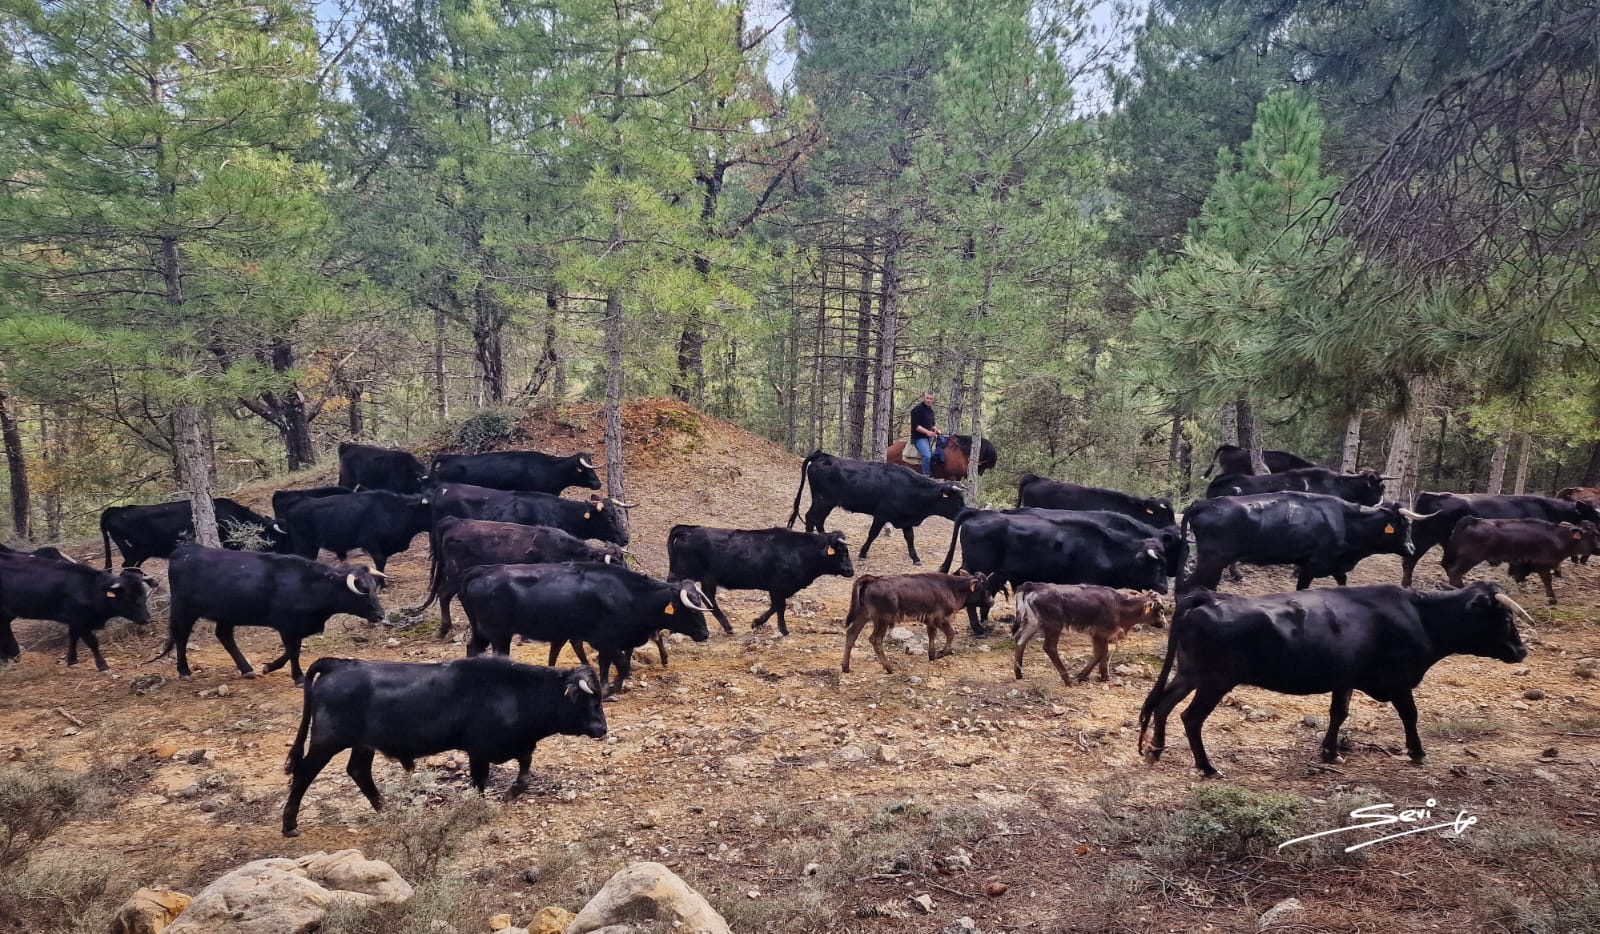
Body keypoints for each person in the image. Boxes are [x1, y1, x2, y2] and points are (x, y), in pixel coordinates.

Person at [909, 390, 940, 477]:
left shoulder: (931, 411)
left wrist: (935, 429)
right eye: (927, 398)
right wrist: (927, 432)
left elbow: (931, 425)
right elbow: (916, 426)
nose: (929, 400)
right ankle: (925, 476)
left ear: (933, 399)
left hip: (929, 438)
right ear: (924, 397)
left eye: (931, 399)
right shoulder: (916, 410)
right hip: (919, 438)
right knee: (927, 455)